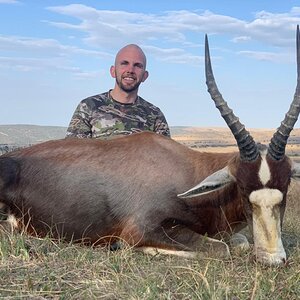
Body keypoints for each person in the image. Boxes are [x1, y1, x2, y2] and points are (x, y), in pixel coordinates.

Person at [66, 44, 170, 139]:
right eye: (124, 63)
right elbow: (73, 153)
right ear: (113, 71)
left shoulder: (155, 115)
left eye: (137, 65)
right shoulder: (88, 107)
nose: (130, 70)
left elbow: (164, 157)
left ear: (144, 76)